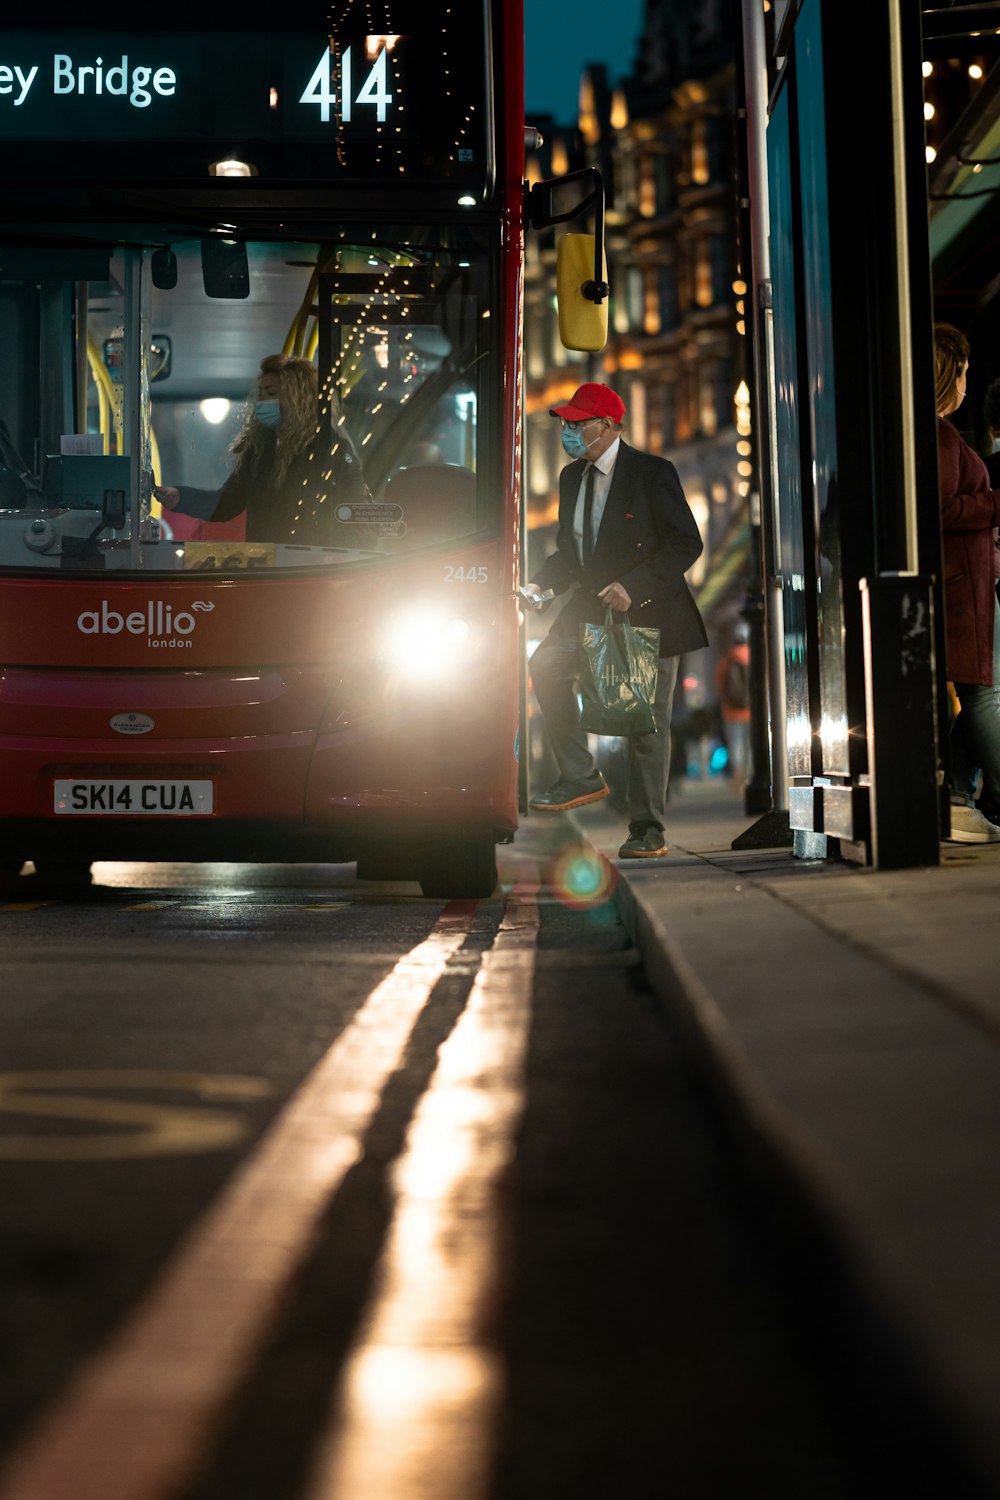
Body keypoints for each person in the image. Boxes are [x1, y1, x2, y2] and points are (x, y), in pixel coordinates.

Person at [526, 382, 708, 858]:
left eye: (576, 423)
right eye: (564, 423)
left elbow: (686, 543)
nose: (567, 431)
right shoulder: (572, 478)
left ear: (606, 426)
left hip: (647, 611)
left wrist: (636, 585)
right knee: (545, 665)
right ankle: (580, 775)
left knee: (643, 722)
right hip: (589, 607)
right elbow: (571, 552)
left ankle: (648, 828)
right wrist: (540, 585)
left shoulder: (651, 473)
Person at [154, 355, 368, 544]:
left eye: (271, 392)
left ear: (297, 399)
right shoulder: (259, 450)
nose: (262, 401)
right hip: (267, 567)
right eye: (261, 393)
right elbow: (227, 502)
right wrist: (181, 497)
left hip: (313, 567)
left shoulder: (330, 448)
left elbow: (358, 513)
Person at [934, 323, 1000, 843]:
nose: (965, 382)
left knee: (980, 695)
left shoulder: (940, 435)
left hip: (967, 584)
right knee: (984, 696)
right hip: (964, 589)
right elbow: (943, 507)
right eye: (962, 372)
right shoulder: (941, 436)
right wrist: (996, 504)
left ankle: (959, 794)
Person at [715, 620, 751, 789]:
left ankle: (738, 778)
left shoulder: (727, 659)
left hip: (731, 712)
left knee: (735, 745)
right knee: (749, 745)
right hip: (751, 712)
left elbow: (720, 684)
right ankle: (749, 777)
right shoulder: (753, 656)